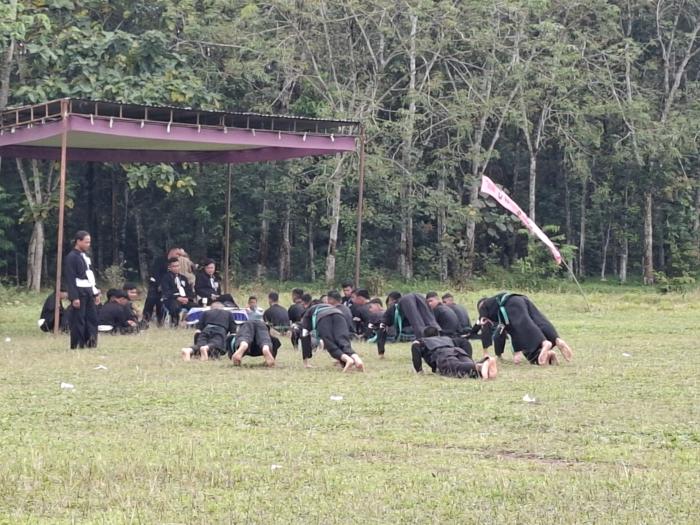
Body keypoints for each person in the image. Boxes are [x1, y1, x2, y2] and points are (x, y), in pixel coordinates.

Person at [477, 292, 573, 366]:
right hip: (522, 298)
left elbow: (486, 328)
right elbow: (501, 333)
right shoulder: (496, 305)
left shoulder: (483, 306)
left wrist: (486, 353)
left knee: (524, 324)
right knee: (538, 320)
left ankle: (544, 342)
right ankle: (555, 339)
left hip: (510, 303)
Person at [299, 302, 364, 371]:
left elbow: (304, 337)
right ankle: (357, 360)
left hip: (323, 317)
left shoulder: (307, 316)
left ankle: (348, 359)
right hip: (339, 314)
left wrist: (305, 363)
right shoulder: (325, 306)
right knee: (343, 341)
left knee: (330, 343)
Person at [412, 327, 497, 379]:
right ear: (438, 334)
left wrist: (419, 371)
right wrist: (469, 357)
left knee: (456, 367)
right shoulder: (446, 338)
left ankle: (479, 366)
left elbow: (415, 347)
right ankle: (485, 365)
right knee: (467, 370)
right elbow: (464, 342)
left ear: (425, 336)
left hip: (442, 354)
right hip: (458, 350)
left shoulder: (423, 341)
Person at [63, 230, 100, 349]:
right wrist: (74, 297)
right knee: (79, 319)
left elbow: (90, 275)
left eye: (89, 242)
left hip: (89, 289)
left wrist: (95, 292)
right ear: (78, 241)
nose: (88, 244)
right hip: (79, 290)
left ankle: (91, 342)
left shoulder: (85, 256)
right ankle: (78, 344)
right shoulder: (71, 257)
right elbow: (70, 278)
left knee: (92, 318)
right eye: (86, 242)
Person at [377, 292, 440, 357]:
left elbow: (381, 328)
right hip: (419, 296)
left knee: (418, 325)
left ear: (391, 301)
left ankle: (430, 352)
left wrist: (381, 352)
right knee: (431, 322)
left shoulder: (390, 310)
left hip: (407, 300)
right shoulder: (396, 308)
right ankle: (441, 343)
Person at [143, 246, 183, 325]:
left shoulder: (175, 262)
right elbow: (155, 273)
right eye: (177, 254)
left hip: (167, 287)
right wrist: (160, 284)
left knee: (161, 304)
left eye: (180, 255)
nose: (179, 256)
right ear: (172, 252)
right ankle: (145, 320)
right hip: (155, 285)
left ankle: (160, 321)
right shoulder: (160, 260)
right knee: (151, 301)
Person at [160, 257, 197, 327]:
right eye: (174, 266)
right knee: (175, 307)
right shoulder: (166, 278)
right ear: (170, 267)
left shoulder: (183, 278)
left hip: (184, 299)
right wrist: (177, 298)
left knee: (196, 307)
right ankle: (175, 324)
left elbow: (189, 291)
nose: (176, 268)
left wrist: (188, 298)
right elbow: (166, 292)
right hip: (171, 299)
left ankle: (191, 324)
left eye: (177, 266)